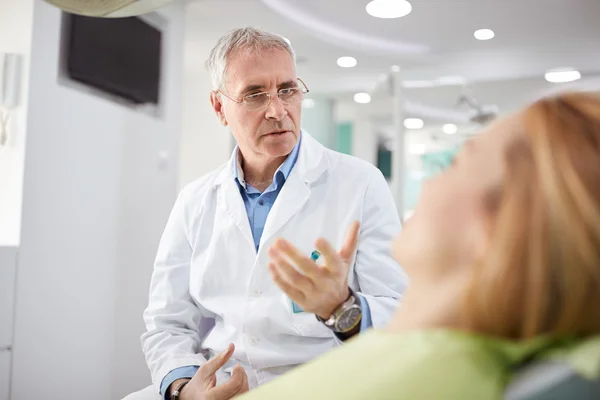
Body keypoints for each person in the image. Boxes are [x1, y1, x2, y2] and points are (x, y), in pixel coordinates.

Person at [237, 92, 600, 399]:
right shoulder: (445, 353)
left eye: (458, 163)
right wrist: (337, 306)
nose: (429, 182)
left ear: (500, 227)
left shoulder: (419, 377)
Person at [125, 27, 407, 400]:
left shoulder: (360, 183)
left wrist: (343, 307)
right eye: (255, 95)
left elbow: (399, 311)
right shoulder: (194, 201)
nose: (278, 110)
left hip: (323, 385)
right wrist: (183, 387)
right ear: (218, 107)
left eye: (288, 89)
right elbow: (167, 322)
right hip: (220, 384)